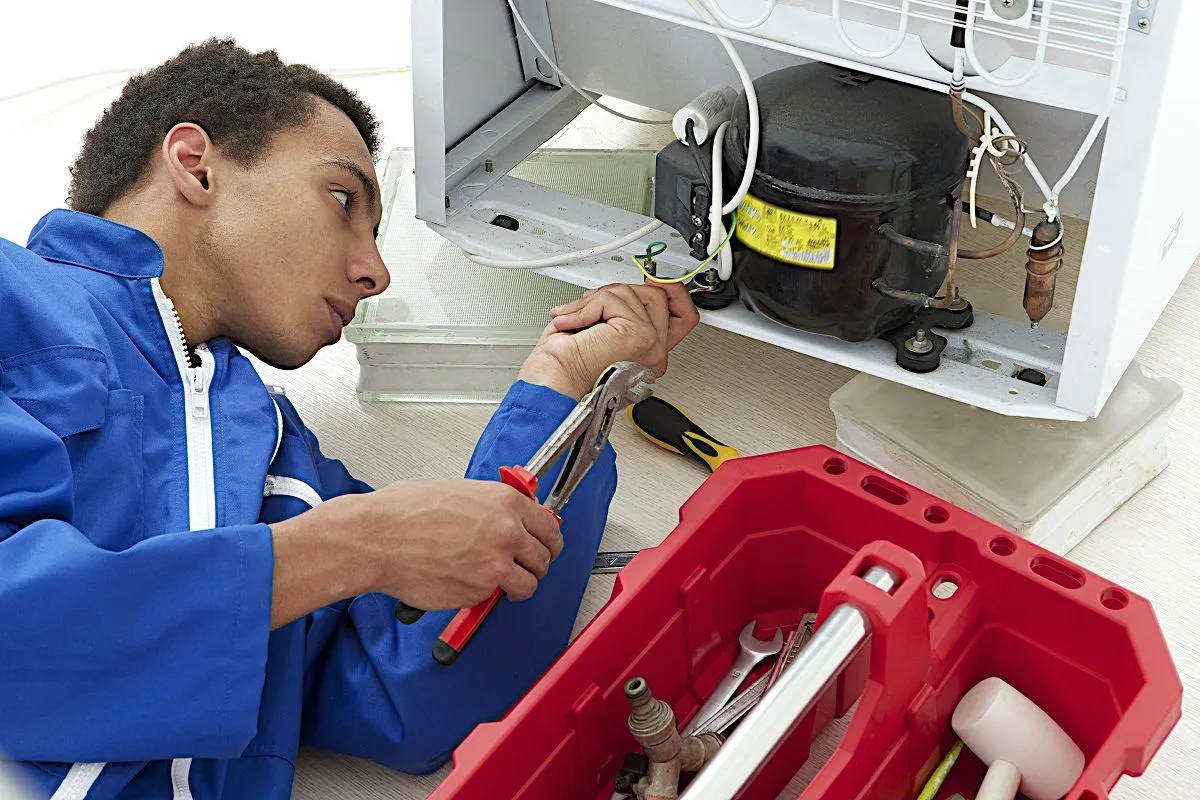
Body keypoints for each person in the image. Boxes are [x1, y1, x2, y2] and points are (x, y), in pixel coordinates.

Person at [0, 39, 699, 800]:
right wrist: (356, 545)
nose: (377, 272)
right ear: (196, 165)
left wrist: (566, 385)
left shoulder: (282, 463)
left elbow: (427, 696)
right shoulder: (15, 299)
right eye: (342, 200)